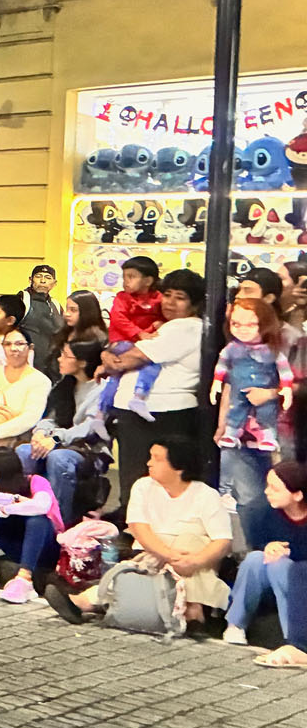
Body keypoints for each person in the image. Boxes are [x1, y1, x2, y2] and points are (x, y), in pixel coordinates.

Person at [50, 440, 231, 627]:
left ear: (179, 467)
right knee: (141, 567)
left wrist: (195, 561)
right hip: (153, 554)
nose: (149, 463)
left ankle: (191, 607)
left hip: (195, 560)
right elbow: (138, 527)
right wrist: (169, 554)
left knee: (190, 541)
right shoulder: (143, 486)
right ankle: (192, 611)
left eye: (157, 459)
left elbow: (223, 541)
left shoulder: (206, 495)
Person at [99, 269, 204, 503]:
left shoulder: (185, 327)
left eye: (180, 297)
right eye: (167, 295)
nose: (170, 303)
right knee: (137, 481)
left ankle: (135, 520)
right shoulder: (165, 326)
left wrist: (107, 358)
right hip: (145, 413)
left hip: (160, 413)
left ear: (195, 304)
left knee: (143, 480)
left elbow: (127, 360)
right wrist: (107, 356)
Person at [223, 462, 307, 665]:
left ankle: (293, 638)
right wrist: (268, 546)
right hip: (270, 573)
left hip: (298, 577)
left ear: (297, 495)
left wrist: (288, 552)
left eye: (275, 489)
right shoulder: (261, 511)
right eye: (267, 485)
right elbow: (257, 543)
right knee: (254, 559)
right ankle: (236, 624)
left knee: (282, 566)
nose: (267, 492)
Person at [18, 339, 107, 524]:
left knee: (58, 459)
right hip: (59, 443)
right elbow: (51, 417)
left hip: (88, 450)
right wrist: (40, 433)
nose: (59, 359)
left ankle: (58, 521)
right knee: (24, 451)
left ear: (82, 362)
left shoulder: (102, 388)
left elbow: (91, 427)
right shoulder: (64, 384)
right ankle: (23, 515)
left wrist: (56, 438)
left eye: (66, 356)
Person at [0, 449, 64, 603]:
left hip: (44, 546)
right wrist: (15, 499)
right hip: (14, 544)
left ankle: (25, 579)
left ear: (2, 471)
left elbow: (42, 505)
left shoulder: (35, 481)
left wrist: (6, 509)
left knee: (37, 519)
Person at [212, 298, 294, 452]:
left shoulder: (274, 349)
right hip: (238, 391)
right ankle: (232, 432)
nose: (242, 330)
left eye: (250, 325)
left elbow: (285, 372)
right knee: (236, 409)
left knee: (266, 412)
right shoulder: (232, 349)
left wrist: (283, 389)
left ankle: (267, 436)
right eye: (236, 324)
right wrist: (217, 382)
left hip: (266, 390)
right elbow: (223, 370)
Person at [99, 256, 164, 420]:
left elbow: (160, 320)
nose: (126, 281)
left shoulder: (158, 298)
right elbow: (119, 319)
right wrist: (140, 334)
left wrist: (154, 327)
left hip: (141, 342)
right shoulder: (122, 298)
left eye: (131, 277)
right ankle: (103, 411)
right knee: (143, 363)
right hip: (122, 341)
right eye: (124, 277)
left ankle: (134, 398)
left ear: (148, 280)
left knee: (122, 375)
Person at [0, 328, 51, 452]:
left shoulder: (40, 380)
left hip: (17, 437)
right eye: (8, 344)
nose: (13, 348)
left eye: (19, 344)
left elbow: (30, 417)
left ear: (30, 347)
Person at [17, 264, 63, 375]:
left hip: (51, 368)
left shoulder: (56, 305)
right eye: (38, 276)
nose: (43, 281)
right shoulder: (23, 299)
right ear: (30, 280)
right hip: (26, 365)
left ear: (54, 283)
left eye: (48, 278)